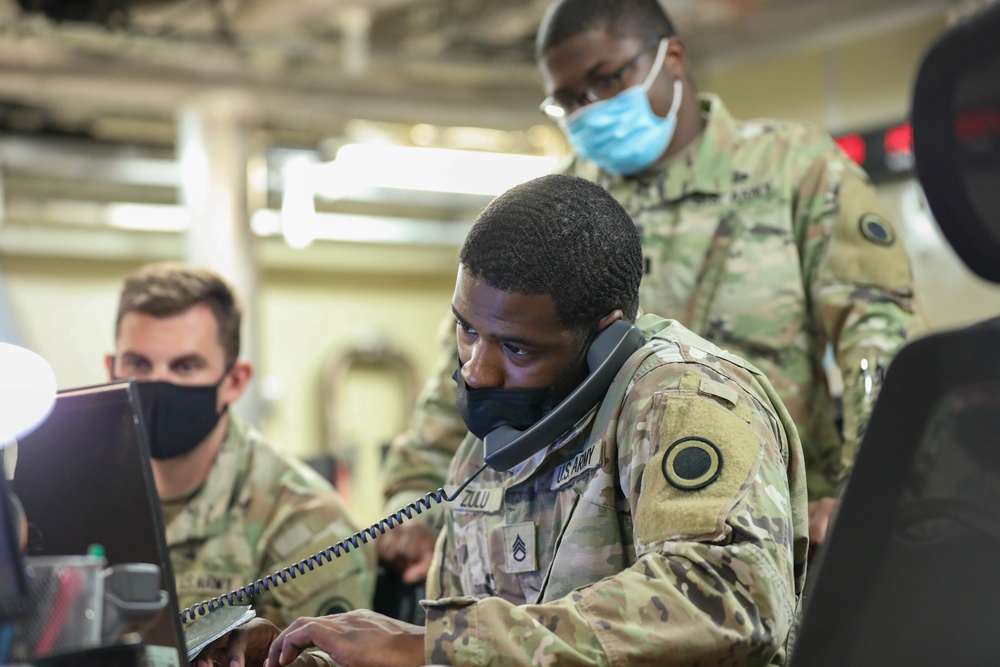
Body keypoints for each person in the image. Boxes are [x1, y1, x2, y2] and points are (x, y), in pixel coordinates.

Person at [378, 0, 923, 576]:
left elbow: (878, 336)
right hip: (586, 552)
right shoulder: (561, 199)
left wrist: (868, 493)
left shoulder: (796, 171)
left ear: (674, 59)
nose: (591, 109)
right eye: (569, 100)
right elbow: (471, 358)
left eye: (607, 80)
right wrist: (409, 501)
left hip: (767, 538)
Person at [214, 173, 808, 667]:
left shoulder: (682, 400)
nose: (477, 370)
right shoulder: (499, 435)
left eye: (516, 348)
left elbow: (728, 601)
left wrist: (436, 647)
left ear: (604, 338)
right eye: (467, 330)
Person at [106, 263, 375, 627]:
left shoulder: (306, 523)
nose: (157, 384)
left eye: (185, 367)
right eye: (138, 363)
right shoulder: (76, 494)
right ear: (111, 370)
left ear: (234, 381)